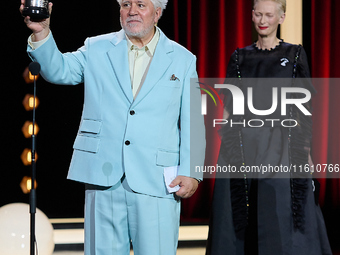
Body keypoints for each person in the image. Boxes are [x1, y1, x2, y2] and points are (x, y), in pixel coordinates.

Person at [20, 0, 205, 254]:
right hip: (103, 177)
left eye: (141, 4)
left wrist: (192, 172)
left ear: (158, 12)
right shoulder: (96, 47)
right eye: (126, 4)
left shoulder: (182, 59)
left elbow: (193, 119)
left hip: (158, 180)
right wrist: (41, 32)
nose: (132, 11)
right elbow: (59, 71)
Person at [206, 0, 332, 254]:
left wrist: (304, 152)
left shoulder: (295, 55)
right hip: (242, 145)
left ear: (281, 18)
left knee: (281, 215)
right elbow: (230, 107)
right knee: (235, 218)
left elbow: (302, 108)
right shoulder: (239, 57)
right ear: (252, 16)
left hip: (282, 146)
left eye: (270, 15)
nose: (263, 20)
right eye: (259, 14)